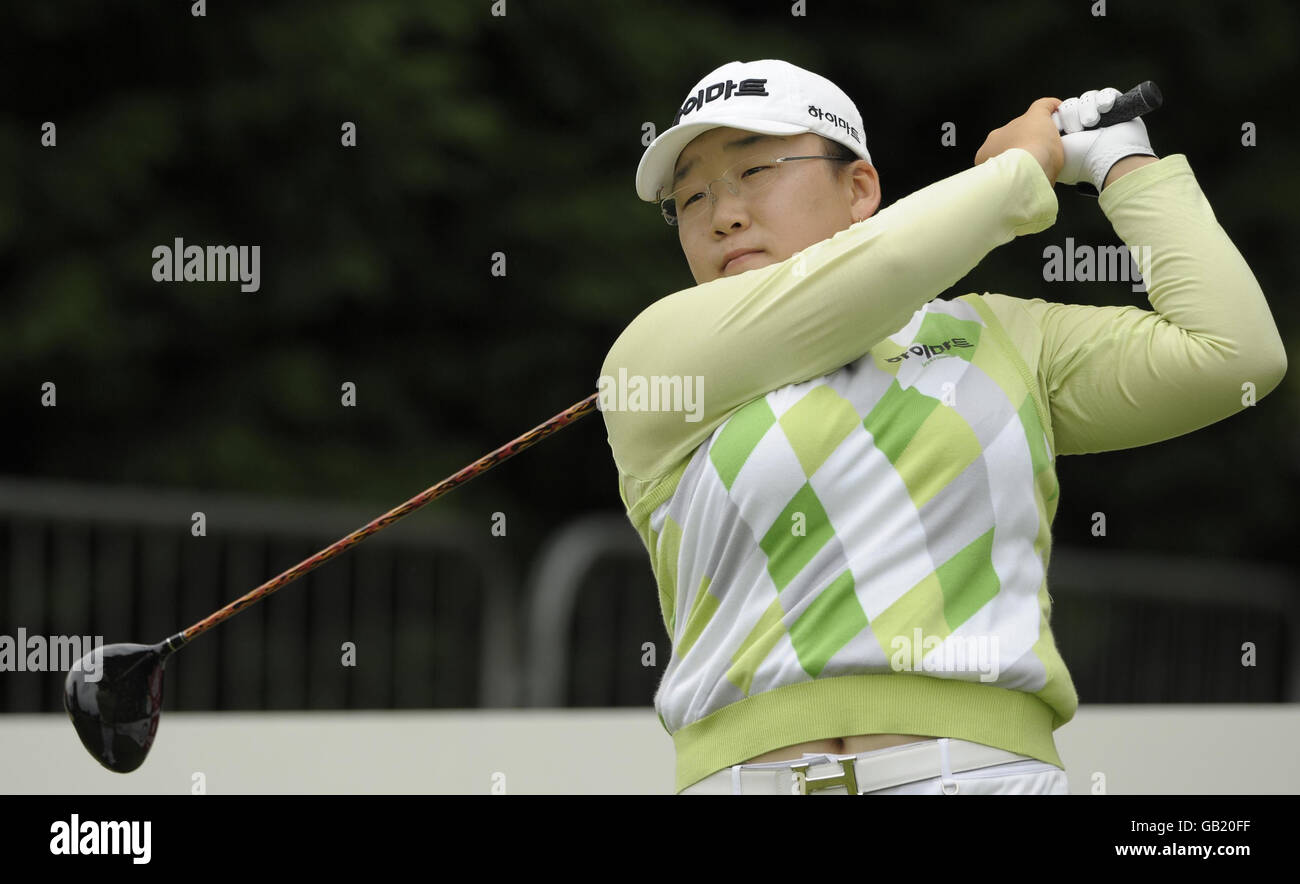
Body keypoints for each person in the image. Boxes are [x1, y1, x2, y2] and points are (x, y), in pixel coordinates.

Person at [597, 59, 1287, 795]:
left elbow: (1235, 356)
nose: (722, 213)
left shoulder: (1005, 338)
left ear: (860, 189)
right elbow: (885, 264)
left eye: (756, 170)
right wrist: (1022, 170)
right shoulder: (654, 359)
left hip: (982, 776)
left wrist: (1125, 163)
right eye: (691, 195)